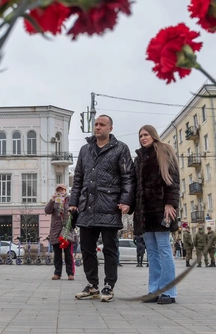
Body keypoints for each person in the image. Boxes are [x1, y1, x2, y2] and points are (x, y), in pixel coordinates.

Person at [70, 115, 135, 302]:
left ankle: (108, 285)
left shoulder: (121, 149)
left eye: (102, 125)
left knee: (110, 249)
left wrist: (126, 201)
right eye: (96, 124)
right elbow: (78, 179)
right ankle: (92, 285)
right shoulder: (85, 150)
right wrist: (74, 202)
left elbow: (128, 178)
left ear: (110, 128)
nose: (97, 127)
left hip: (109, 205)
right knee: (87, 249)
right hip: (87, 207)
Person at [132, 124, 180, 305]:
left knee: (164, 249)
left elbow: (173, 179)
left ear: (153, 135)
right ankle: (154, 290)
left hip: (161, 208)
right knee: (151, 252)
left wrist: (170, 203)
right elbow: (135, 186)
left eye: (145, 135)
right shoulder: (139, 158)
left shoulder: (164, 151)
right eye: (140, 136)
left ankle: (169, 292)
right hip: (144, 211)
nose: (143, 138)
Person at [45, 184, 75, 280]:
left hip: (66, 230)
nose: (60, 192)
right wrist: (52, 200)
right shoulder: (54, 201)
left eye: (62, 190)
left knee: (68, 254)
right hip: (55, 230)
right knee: (57, 254)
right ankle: (57, 273)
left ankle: (70, 273)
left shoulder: (70, 200)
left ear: (65, 190)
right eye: (58, 190)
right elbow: (47, 210)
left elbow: (75, 211)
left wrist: (72, 210)